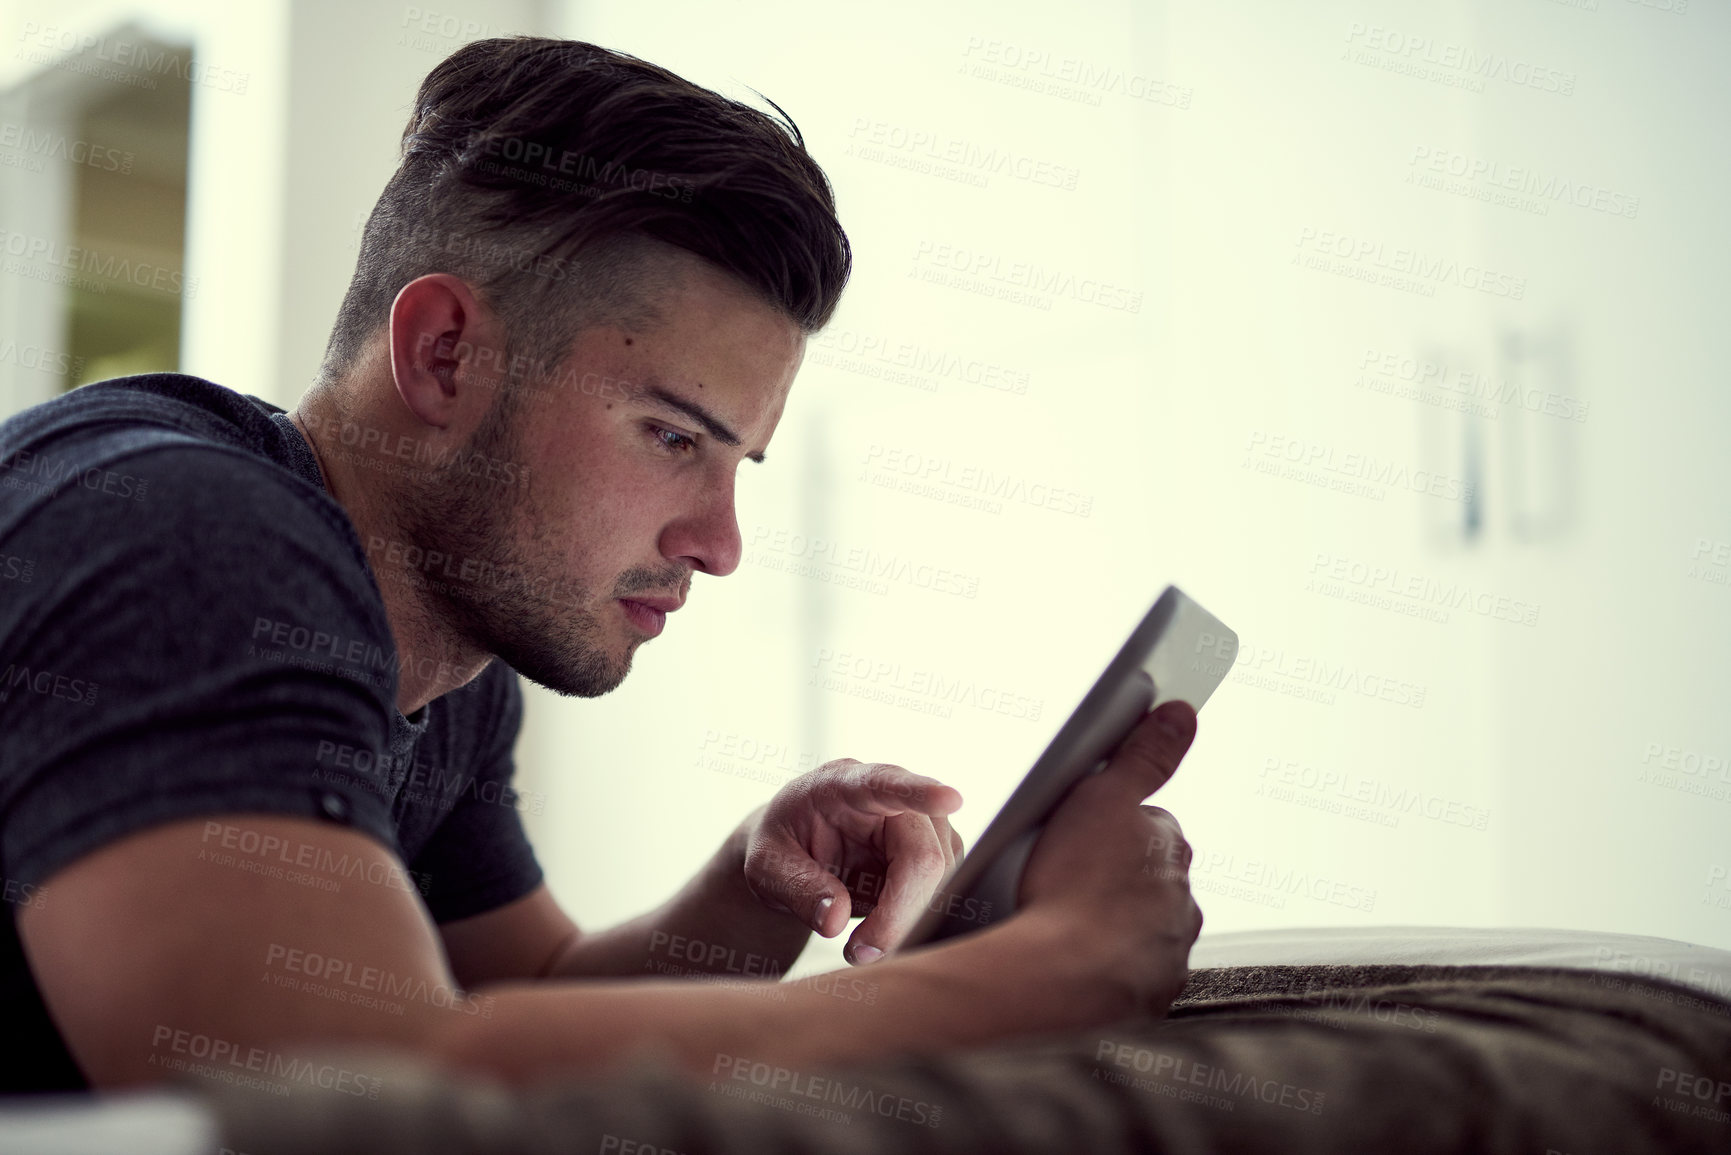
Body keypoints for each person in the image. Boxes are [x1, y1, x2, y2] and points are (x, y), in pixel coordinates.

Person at [0, 36, 1202, 1094]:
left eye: (737, 463)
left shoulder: (446, 658)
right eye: (674, 437)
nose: (719, 546)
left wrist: (750, 887)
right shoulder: (181, 534)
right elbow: (342, 1097)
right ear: (447, 354)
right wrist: (1042, 978)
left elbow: (521, 993)